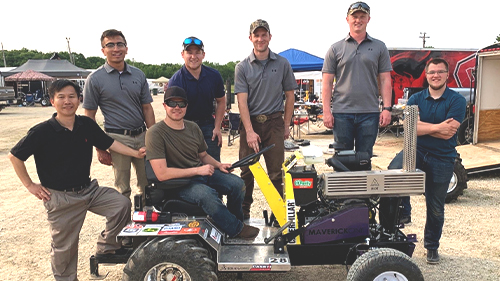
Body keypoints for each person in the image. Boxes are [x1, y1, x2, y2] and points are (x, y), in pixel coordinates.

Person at [8, 80, 145, 281]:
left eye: (72, 96)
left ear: (79, 99)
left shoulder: (86, 124)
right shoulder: (42, 131)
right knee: (65, 248)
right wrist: (30, 185)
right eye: (61, 97)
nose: (67, 101)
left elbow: (110, 143)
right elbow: (15, 156)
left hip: (89, 190)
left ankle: (107, 247)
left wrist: (136, 152)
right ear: (52, 101)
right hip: (62, 198)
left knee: (121, 204)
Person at [382, 58, 466, 264]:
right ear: (426, 75)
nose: (435, 75)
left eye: (440, 72)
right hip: (415, 150)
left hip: (443, 157)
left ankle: (431, 246)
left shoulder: (457, 101)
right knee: (391, 175)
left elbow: (449, 133)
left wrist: (421, 127)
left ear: (447, 74)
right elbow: (412, 130)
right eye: (432, 72)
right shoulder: (415, 99)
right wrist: (438, 127)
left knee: (435, 207)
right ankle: (403, 213)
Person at [146, 86, 259, 239]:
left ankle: (234, 224)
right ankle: (237, 230)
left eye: (181, 104)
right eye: (172, 103)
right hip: (178, 183)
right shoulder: (155, 133)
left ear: (187, 106)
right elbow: (162, 173)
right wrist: (197, 171)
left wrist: (219, 165)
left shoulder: (193, 127)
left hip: (200, 174)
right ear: (165, 106)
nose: (177, 108)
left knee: (237, 184)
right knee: (208, 196)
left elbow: (203, 156)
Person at [234, 19, 297, 219]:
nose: (260, 39)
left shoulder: (282, 63)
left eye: (264, 35)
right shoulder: (242, 67)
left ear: (270, 37)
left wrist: (286, 126)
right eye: (256, 35)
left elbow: (290, 96)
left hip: (274, 123)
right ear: (250, 38)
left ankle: (278, 215)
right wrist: (250, 131)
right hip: (250, 123)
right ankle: (243, 213)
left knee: (276, 173)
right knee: (246, 171)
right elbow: (242, 102)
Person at [83, 29, 155, 200]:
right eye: (110, 45)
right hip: (117, 139)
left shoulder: (138, 74)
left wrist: (154, 137)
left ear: (126, 48)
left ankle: (146, 221)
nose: (116, 49)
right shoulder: (95, 79)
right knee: (122, 188)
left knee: (148, 183)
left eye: (120, 44)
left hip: (142, 136)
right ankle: (123, 223)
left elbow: (147, 108)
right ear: (103, 51)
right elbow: (89, 118)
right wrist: (100, 148)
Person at [321, 1, 393, 158]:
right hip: (341, 113)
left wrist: (387, 108)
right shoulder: (335, 49)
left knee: (364, 158)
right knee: (342, 159)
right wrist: (326, 111)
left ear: (369, 19)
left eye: (362, 16)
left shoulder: (380, 47)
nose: (358, 20)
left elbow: (385, 80)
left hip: (369, 113)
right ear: (347, 19)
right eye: (355, 17)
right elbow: (326, 83)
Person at [169, 36, 226, 161]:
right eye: (189, 52)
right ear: (182, 54)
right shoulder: (176, 80)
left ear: (203, 55)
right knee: (189, 165)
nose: (193, 57)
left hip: (208, 125)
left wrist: (217, 127)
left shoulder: (214, 76)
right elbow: (173, 110)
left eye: (197, 53)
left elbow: (221, 101)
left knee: (213, 166)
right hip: (185, 126)